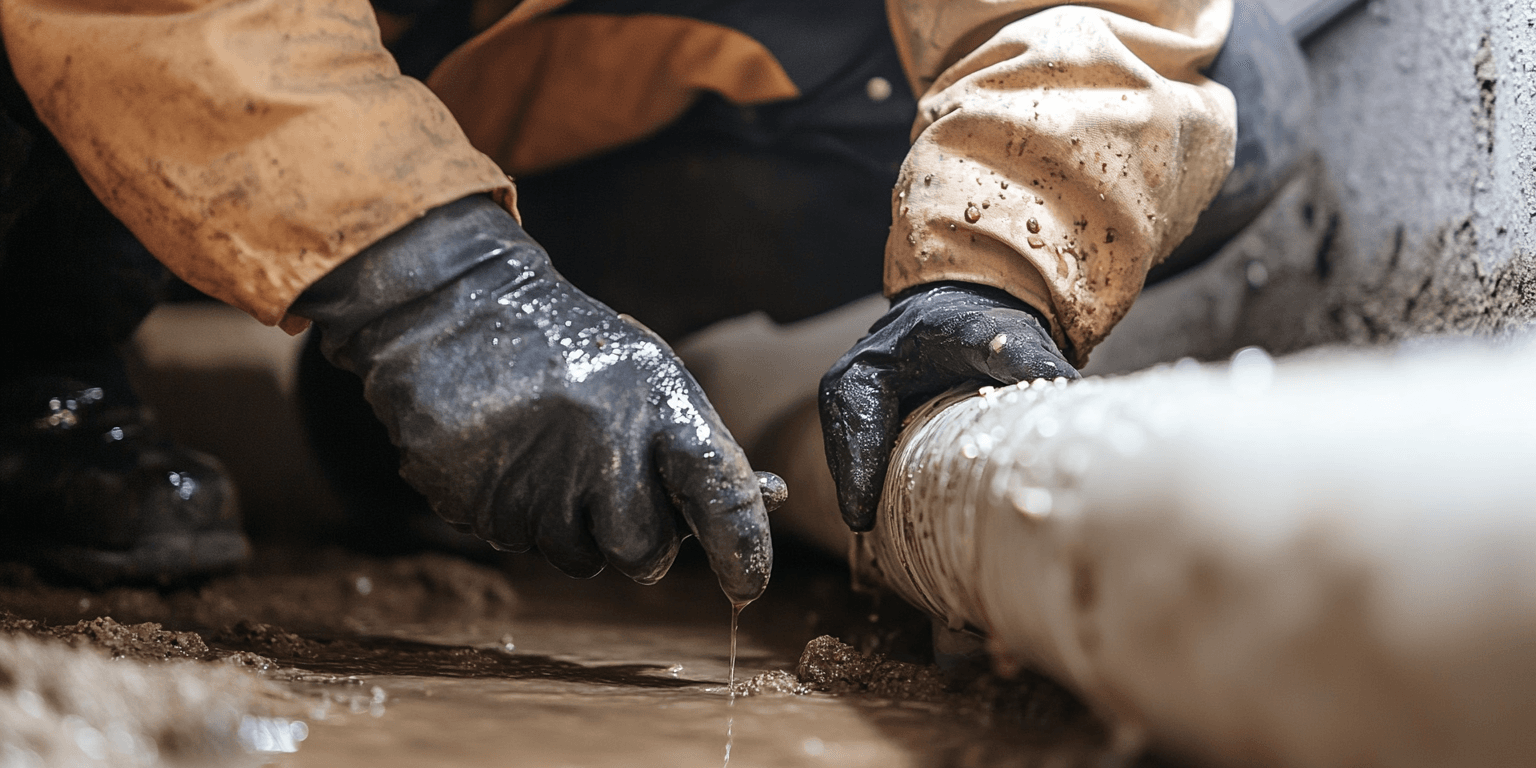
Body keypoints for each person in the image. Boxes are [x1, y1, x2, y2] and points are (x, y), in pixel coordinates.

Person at [0, 0, 1300, 596]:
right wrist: (439, 291)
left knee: (1238, 84)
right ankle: (40, 376)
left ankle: (462, 418)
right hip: (158, 86)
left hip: (545, 94)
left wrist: (995, 266)